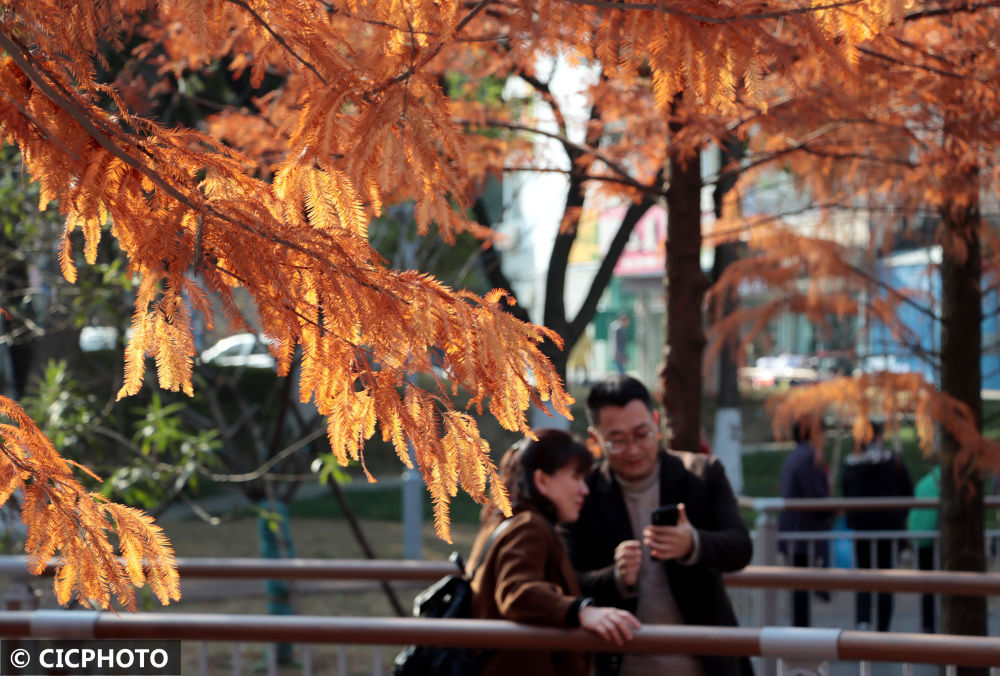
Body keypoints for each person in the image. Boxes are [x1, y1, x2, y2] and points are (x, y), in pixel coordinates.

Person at [562, 375, 754, 676]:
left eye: (642, 434)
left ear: (656, 422)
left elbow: (741, 548)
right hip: (619, 664)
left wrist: (694, 543)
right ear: (595, 438)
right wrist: (615, 577)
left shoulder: (702, 475)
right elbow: (568, 579)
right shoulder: (582, 493)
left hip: (705, 663)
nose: (634, 449)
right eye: (618, 440)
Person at [469, 429, 641, 676]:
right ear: (542, 481)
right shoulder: (530, 526)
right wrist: (579, 610)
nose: (584, 490)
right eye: (575, 477)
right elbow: (517, 591)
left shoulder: (505, 521)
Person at [840, 420, 914, 631]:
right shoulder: (893, 462)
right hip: (889, 529)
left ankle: (863, 621)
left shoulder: (851, 463)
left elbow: (846, 494)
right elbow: (908, 493)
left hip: (862, 530)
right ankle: (883, 628)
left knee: (863, 577)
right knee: (885, 579)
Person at [778, 418, 834, 627]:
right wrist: (833, 507)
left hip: (795, 532)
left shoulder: (796, 456)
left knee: (799, 588)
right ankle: (801, 637)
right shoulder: (809, 458)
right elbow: (815, 496)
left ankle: (800, 633)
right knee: (801, 589)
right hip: (802, 533)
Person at [907, 463, 940, 633]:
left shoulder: (925, 481)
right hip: (935, 539)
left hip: (919, 539)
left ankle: (928, 624)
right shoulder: (948, 482)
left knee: (927, 586)